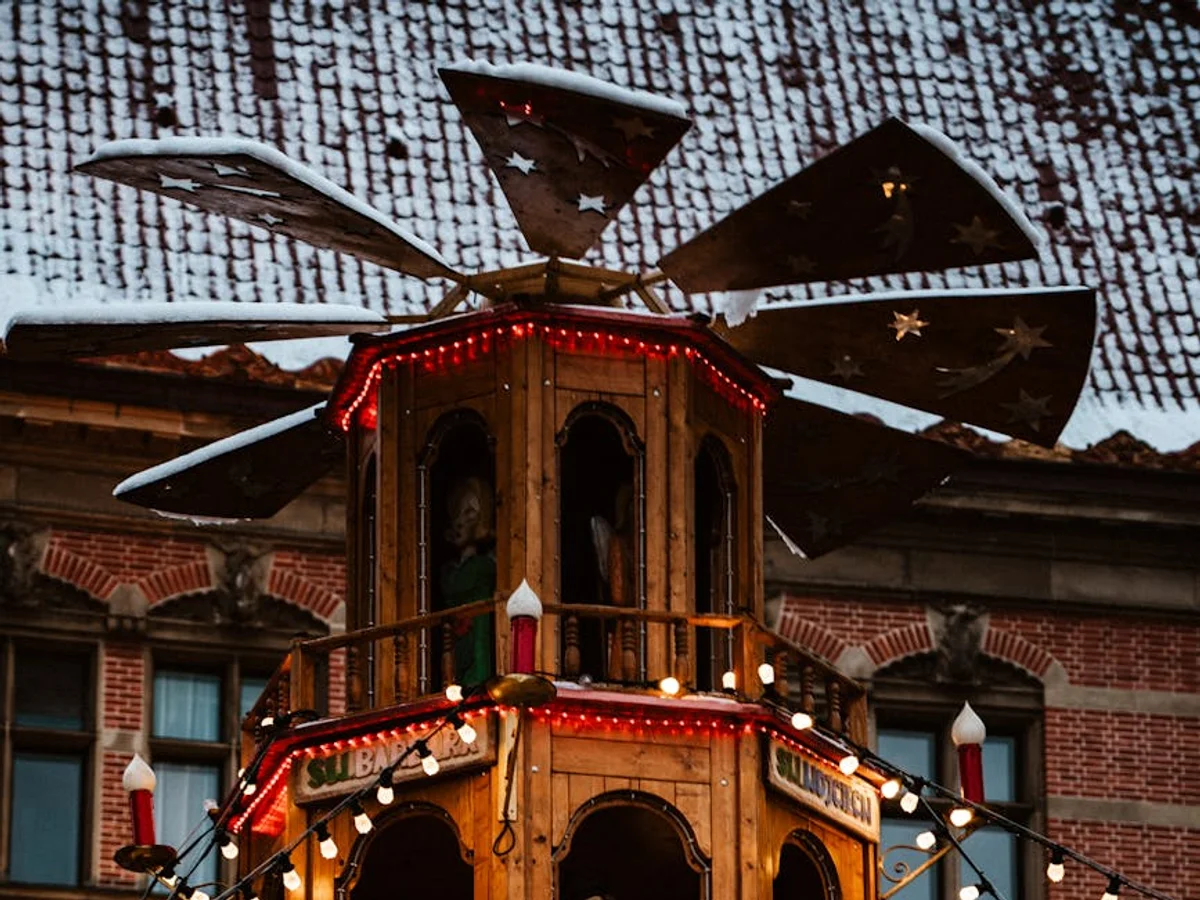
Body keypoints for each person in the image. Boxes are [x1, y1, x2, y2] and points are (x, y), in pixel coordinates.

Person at [440, 476, 495, 688]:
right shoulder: (451, 571)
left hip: (477, 635)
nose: (461, 521)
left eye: (470, 512)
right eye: (458, 514)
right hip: (458, 637)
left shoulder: (483, 566)